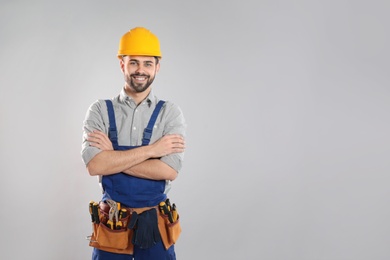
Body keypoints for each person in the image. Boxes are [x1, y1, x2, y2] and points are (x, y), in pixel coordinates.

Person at [81, 27, 186, 260]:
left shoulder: (170, 113)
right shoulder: (99, 110)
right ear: (122, 64)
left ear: (157, 67)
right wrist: (152, 151)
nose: (141, 70)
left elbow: (168, 170)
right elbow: (95, 166)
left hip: (156, 223)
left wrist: (113, 156)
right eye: (134, 62)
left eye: (148, 63)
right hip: (112, 223)